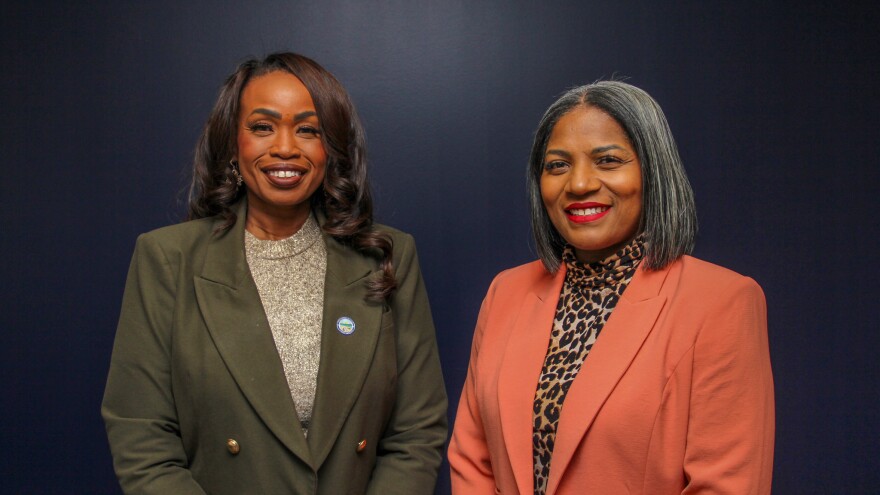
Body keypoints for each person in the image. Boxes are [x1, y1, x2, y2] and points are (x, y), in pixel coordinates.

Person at [102, 52, 447, 494]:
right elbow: (141, 436)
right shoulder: (167, 260)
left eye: (308, 130)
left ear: (331, 148)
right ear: (233, 144)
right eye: (262, 127)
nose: (285, 147)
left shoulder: (387, 255)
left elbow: (416, 431)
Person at [448, 81, 774, 494]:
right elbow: (472, 457)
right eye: (558, 165)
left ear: (653, 171)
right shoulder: (505, 292)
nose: (579, 184)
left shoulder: (722, 302)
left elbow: (727, 484)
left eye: (607, 160)